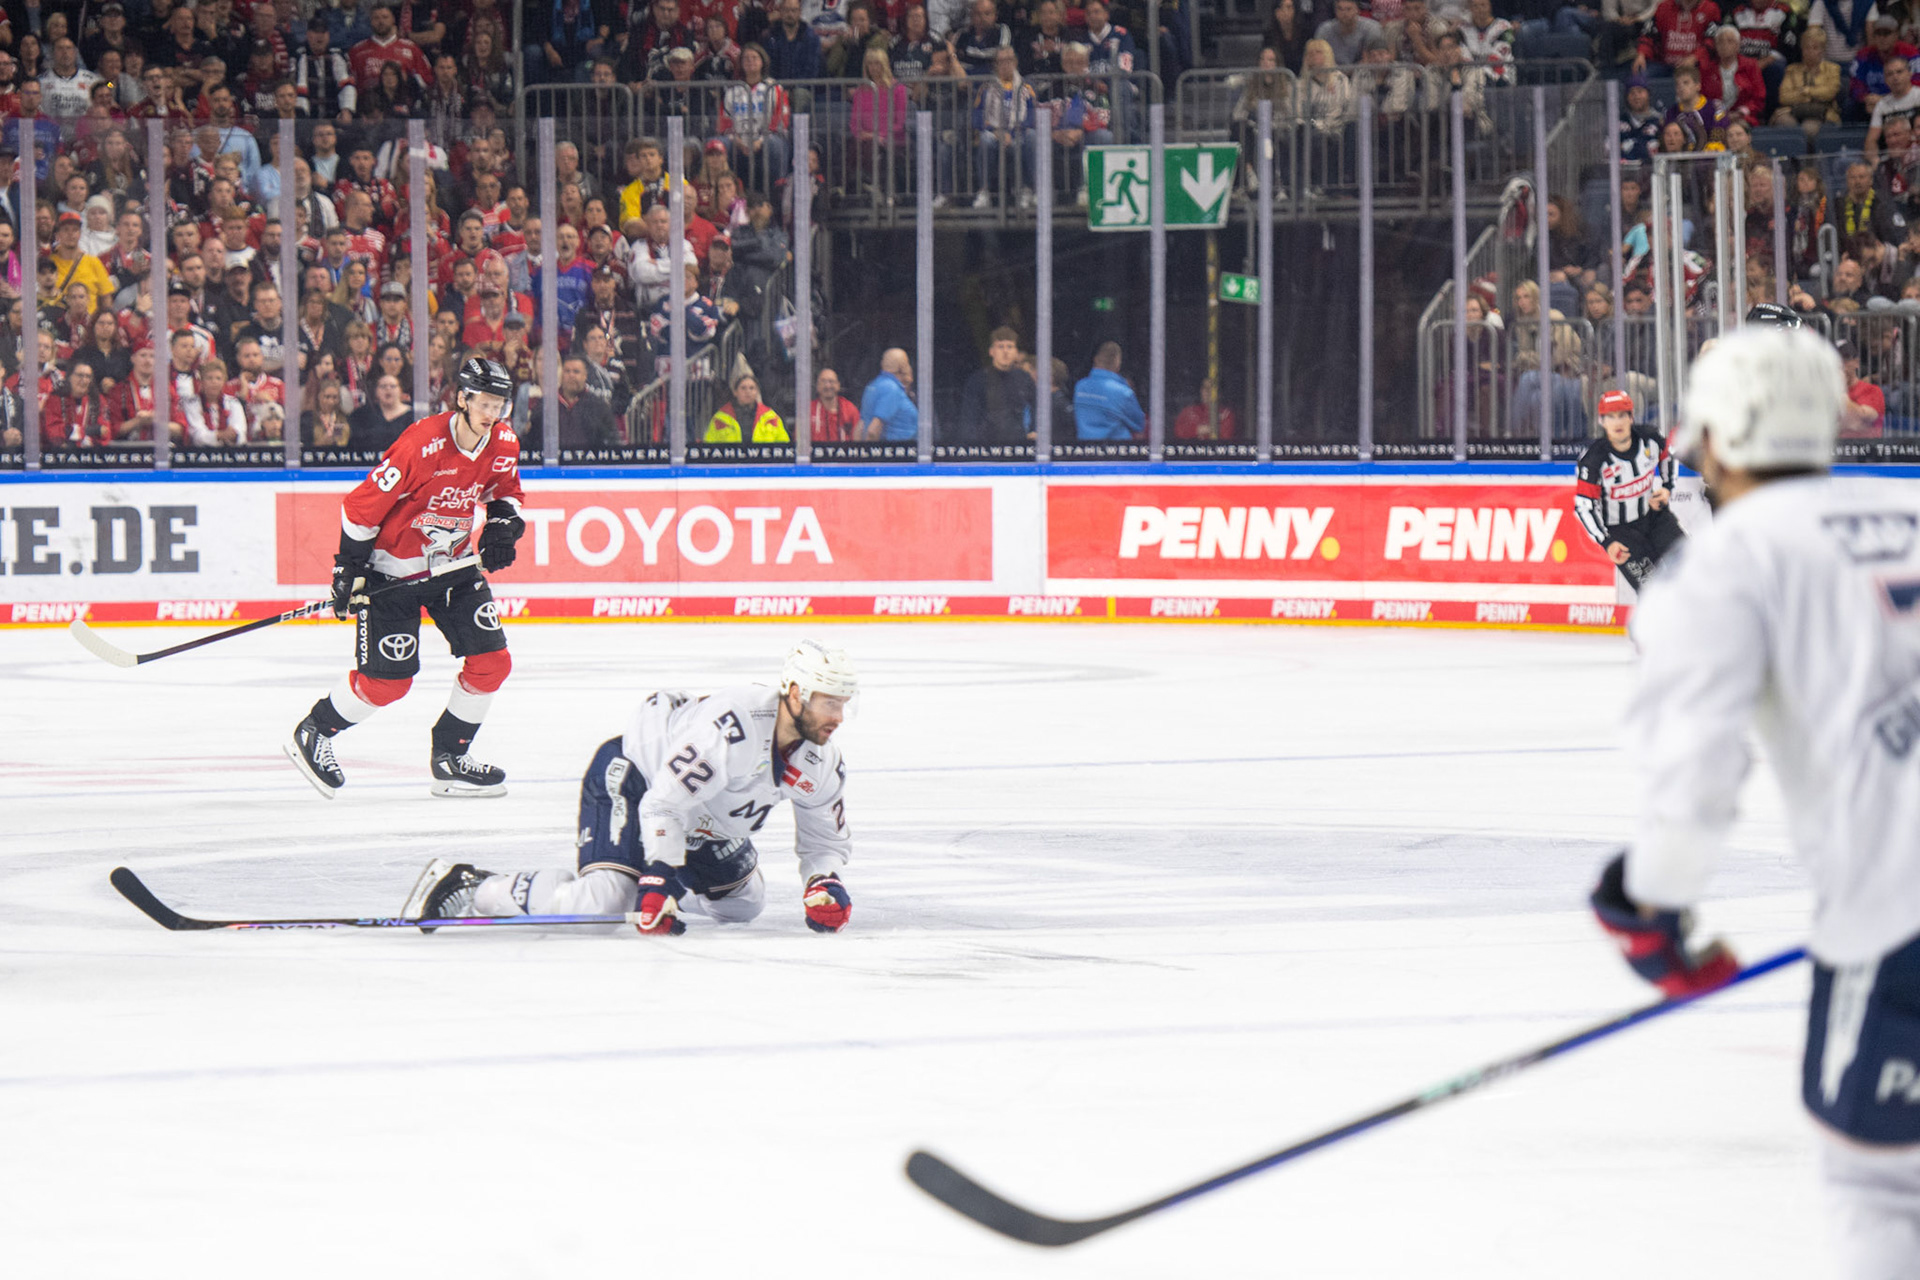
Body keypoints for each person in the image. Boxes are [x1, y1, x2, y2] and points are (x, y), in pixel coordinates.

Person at [1585, 325, 1920, 1280]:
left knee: (1880, 1188)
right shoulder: (1908, 513)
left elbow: (1693, 788)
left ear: (1720, 440)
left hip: (1895, 920)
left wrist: (1646, 912)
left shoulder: (1724, 566)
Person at [401, 640, 859, 937]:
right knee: (603, 903)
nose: (837, 716)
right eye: (827, 702)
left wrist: (824, 881)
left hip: (706, 819)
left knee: (744, 906)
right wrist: (658, 874)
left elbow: (824, 840)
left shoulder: (823, 760)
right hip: (638, 779)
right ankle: (473, 885)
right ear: (795, 694)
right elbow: (664, 802)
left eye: (842, 703)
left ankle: (659, 889)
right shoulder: (732, 726)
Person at [287, 358, 524, 801]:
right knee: (387, 684)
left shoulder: (504, 442)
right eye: (485, 403)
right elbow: (361, 508)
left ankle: (450, 757)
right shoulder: (422, 444)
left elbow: (505, 493)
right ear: (462, 398)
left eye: (499, 405)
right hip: (392, 575)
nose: (492, 414)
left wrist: (501, 527)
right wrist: (348, 569)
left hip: (453, 570)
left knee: (493, 662)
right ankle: (314, 731)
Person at [1572, 389, 1683, 589]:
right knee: (1653, 591)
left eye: (1622, 415)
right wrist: (1606, 542)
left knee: (1689, 565)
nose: (1617, 422)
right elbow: (1584, 507)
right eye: (1610, 417)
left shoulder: (1650, 438)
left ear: (1631, 417)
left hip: (1655, 518)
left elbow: (1668, 455)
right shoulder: (1593, 461)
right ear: (1602, 421)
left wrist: (1667, 487)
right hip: (1622, 534)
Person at [956, 326, 1034, 446]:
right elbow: (969, 420)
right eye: (1000, 346)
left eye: (1010, 346)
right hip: (987, 448)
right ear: (991, 351)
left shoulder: (1024, 378)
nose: (1005, 351)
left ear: (1016, 352)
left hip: (1019, 448)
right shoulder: (978, 380)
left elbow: (1037, 409)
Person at [1073, 341, 1145, 440]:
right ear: (1118, 363)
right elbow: (1138, 425)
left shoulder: (1080, 386)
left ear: (1095, 360)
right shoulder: (1123, 392)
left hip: (1086, 450)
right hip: (1116, 451)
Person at [705, 369, 788, 442]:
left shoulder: (771, 417)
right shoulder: (720, 418)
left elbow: (783, 445)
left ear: (757, 392)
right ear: (735, 392)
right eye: (743, 388)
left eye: (752, 388)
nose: (748, 392)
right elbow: (709, 446)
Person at [556, 353, 621, 448]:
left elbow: (613, 442)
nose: (571, 375)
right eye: (567, 371)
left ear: (585, 376)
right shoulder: (547, 405)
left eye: (576, 371)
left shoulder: (599, 407)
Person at [861, 347, 918, 441]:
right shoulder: (891, 389)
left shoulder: (873, 386)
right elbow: (873, 430)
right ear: (902, 366)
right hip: (897, 450)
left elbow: (861, 426)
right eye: (907, 362)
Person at [810, 367, 862, 441]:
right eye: (823, 382)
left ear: (838, 385)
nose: (828, 386)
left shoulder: (850, 410)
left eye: (831, 381)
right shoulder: (809, 410)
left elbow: (858, 442)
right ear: (817, 386)